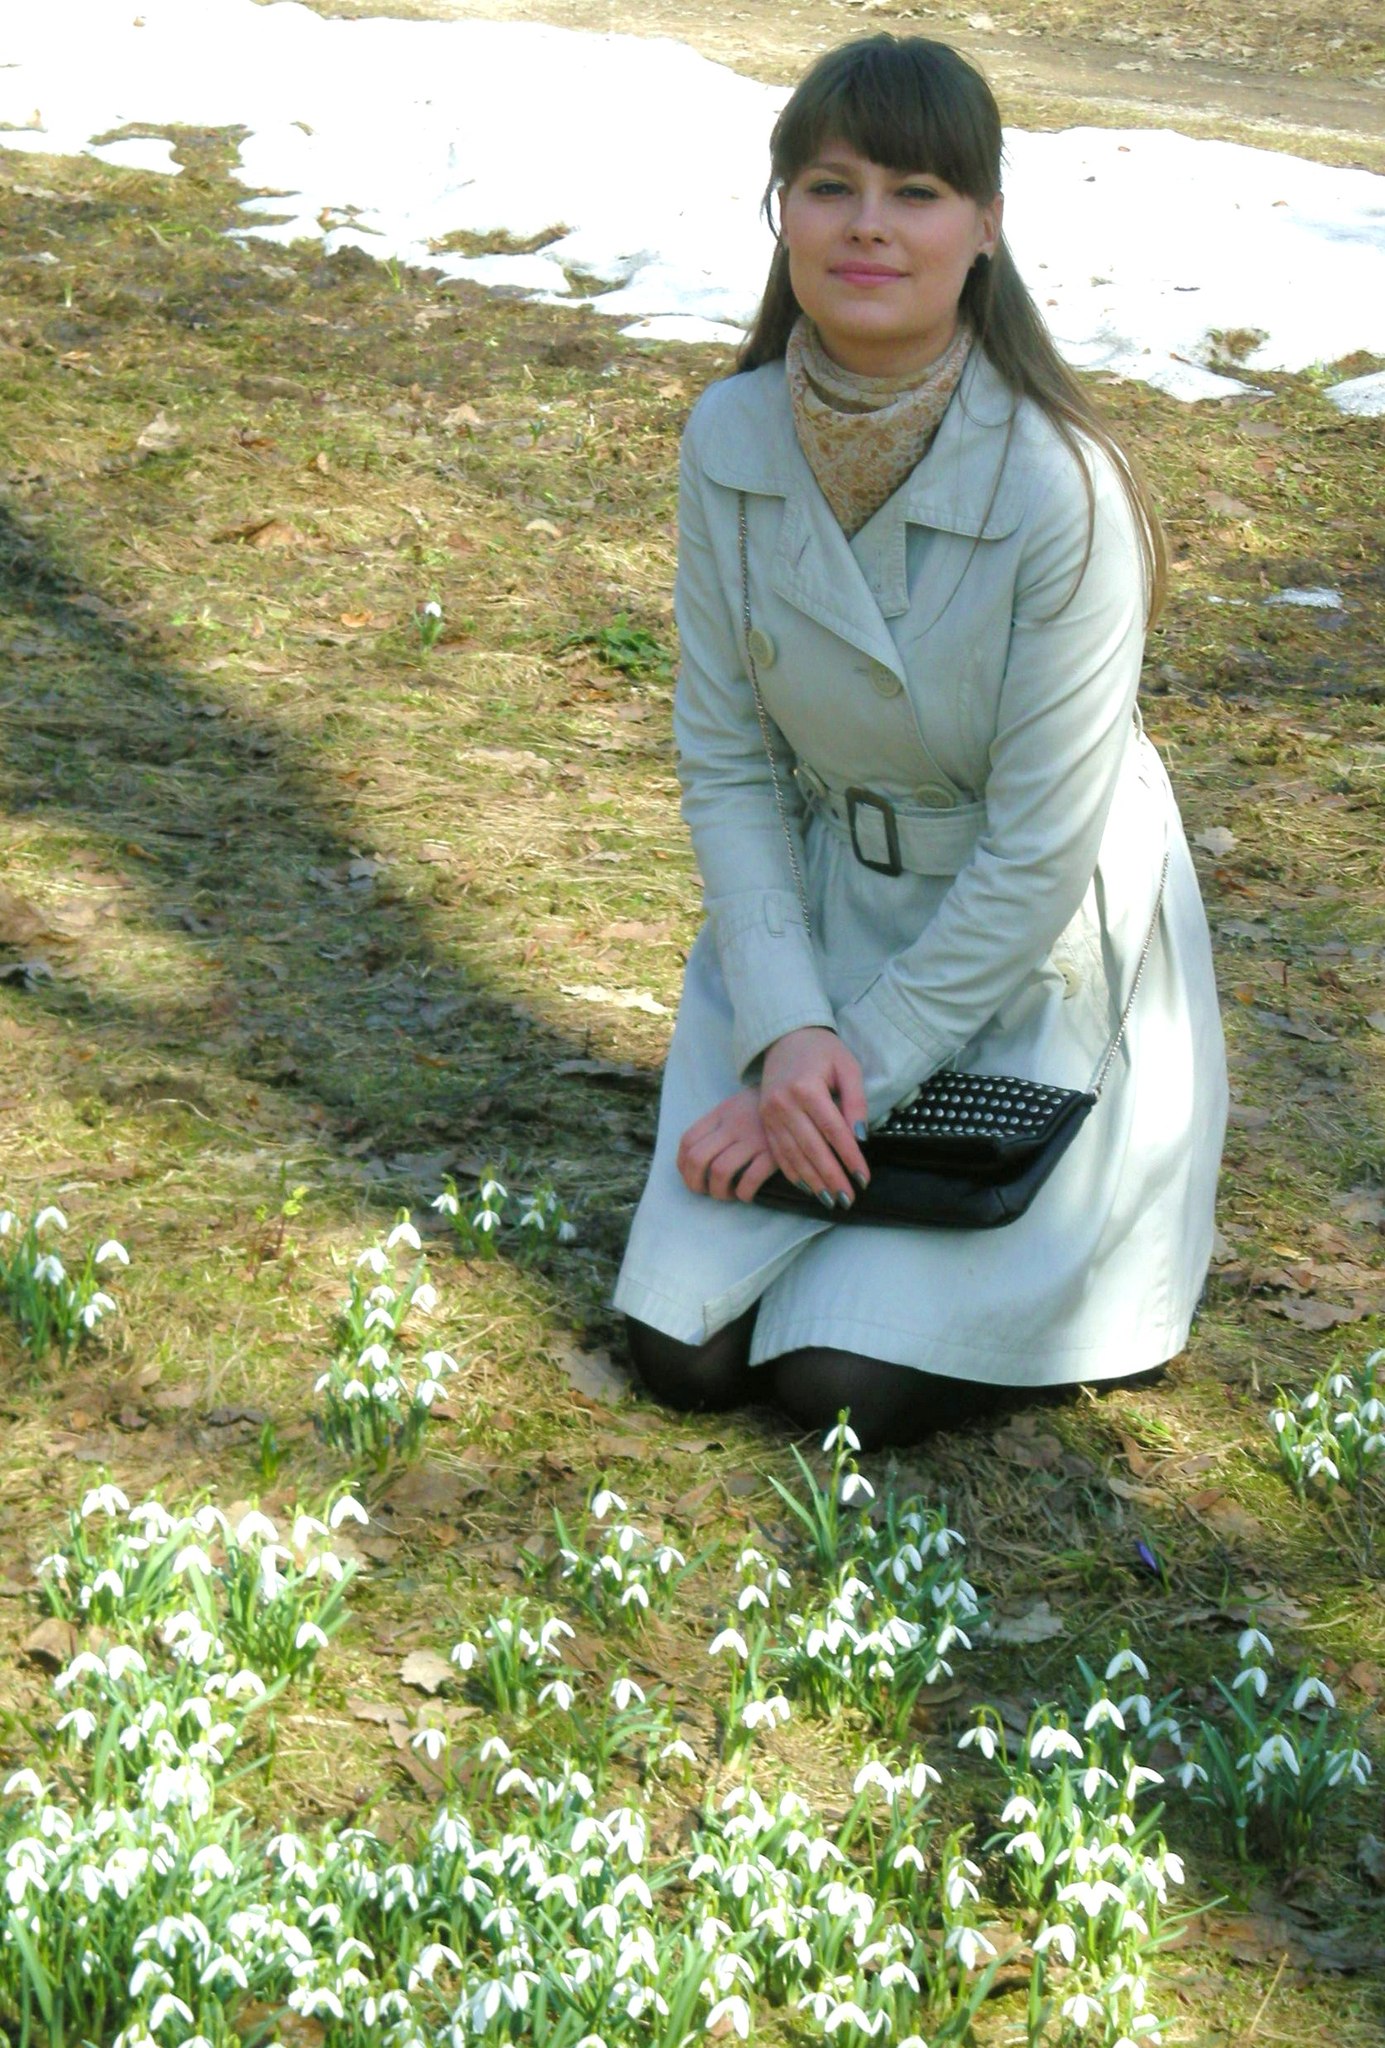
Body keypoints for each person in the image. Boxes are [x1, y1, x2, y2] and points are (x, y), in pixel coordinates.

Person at [613, 34, 1227, 1449]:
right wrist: (788, 1032)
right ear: (782, 211)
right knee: (682, 1354)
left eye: (918, 192)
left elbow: (1039, 854)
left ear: (986, 226)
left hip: (1025, 954)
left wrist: (857, 1070)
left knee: (838, 1379)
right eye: (830, 187)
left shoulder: (1062, 485)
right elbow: (725, 759)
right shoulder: (730, 437)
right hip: (819, 930)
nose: (869, 226)